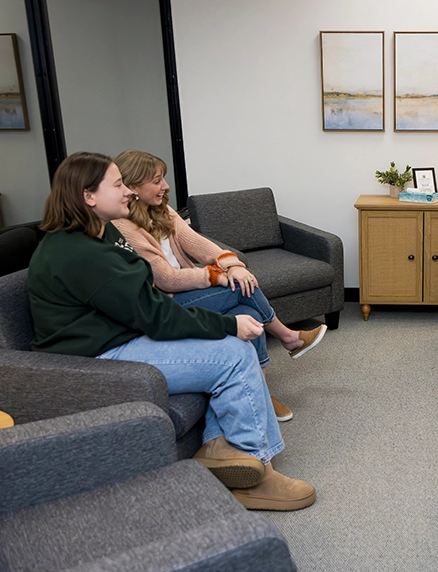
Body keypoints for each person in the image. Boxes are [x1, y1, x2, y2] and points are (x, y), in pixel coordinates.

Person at [28, 151, 316, 511]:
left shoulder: (97, 235)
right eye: (118, 186)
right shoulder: (79, 253)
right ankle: (257, 472)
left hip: (124, 335)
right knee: (232, 354)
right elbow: (155, 315)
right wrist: (228, 324)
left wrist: (224, 320)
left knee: (230, 344)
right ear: (88, 197)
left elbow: (147, 298)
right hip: (101, 359)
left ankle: (219, 448)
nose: (128, 193)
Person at [112, 149, 325, 423]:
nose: (165, 186)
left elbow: (199, 245)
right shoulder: (122, 226)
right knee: (237, 288)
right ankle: (287, 337)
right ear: (133, 187)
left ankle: (260, 388)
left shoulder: (162, 210)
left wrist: (231, 263)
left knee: (246, 313)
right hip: (165, 303)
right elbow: (165, 278)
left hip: (189, 292)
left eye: (163, 178)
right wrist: (214, 276)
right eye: (157, 180)